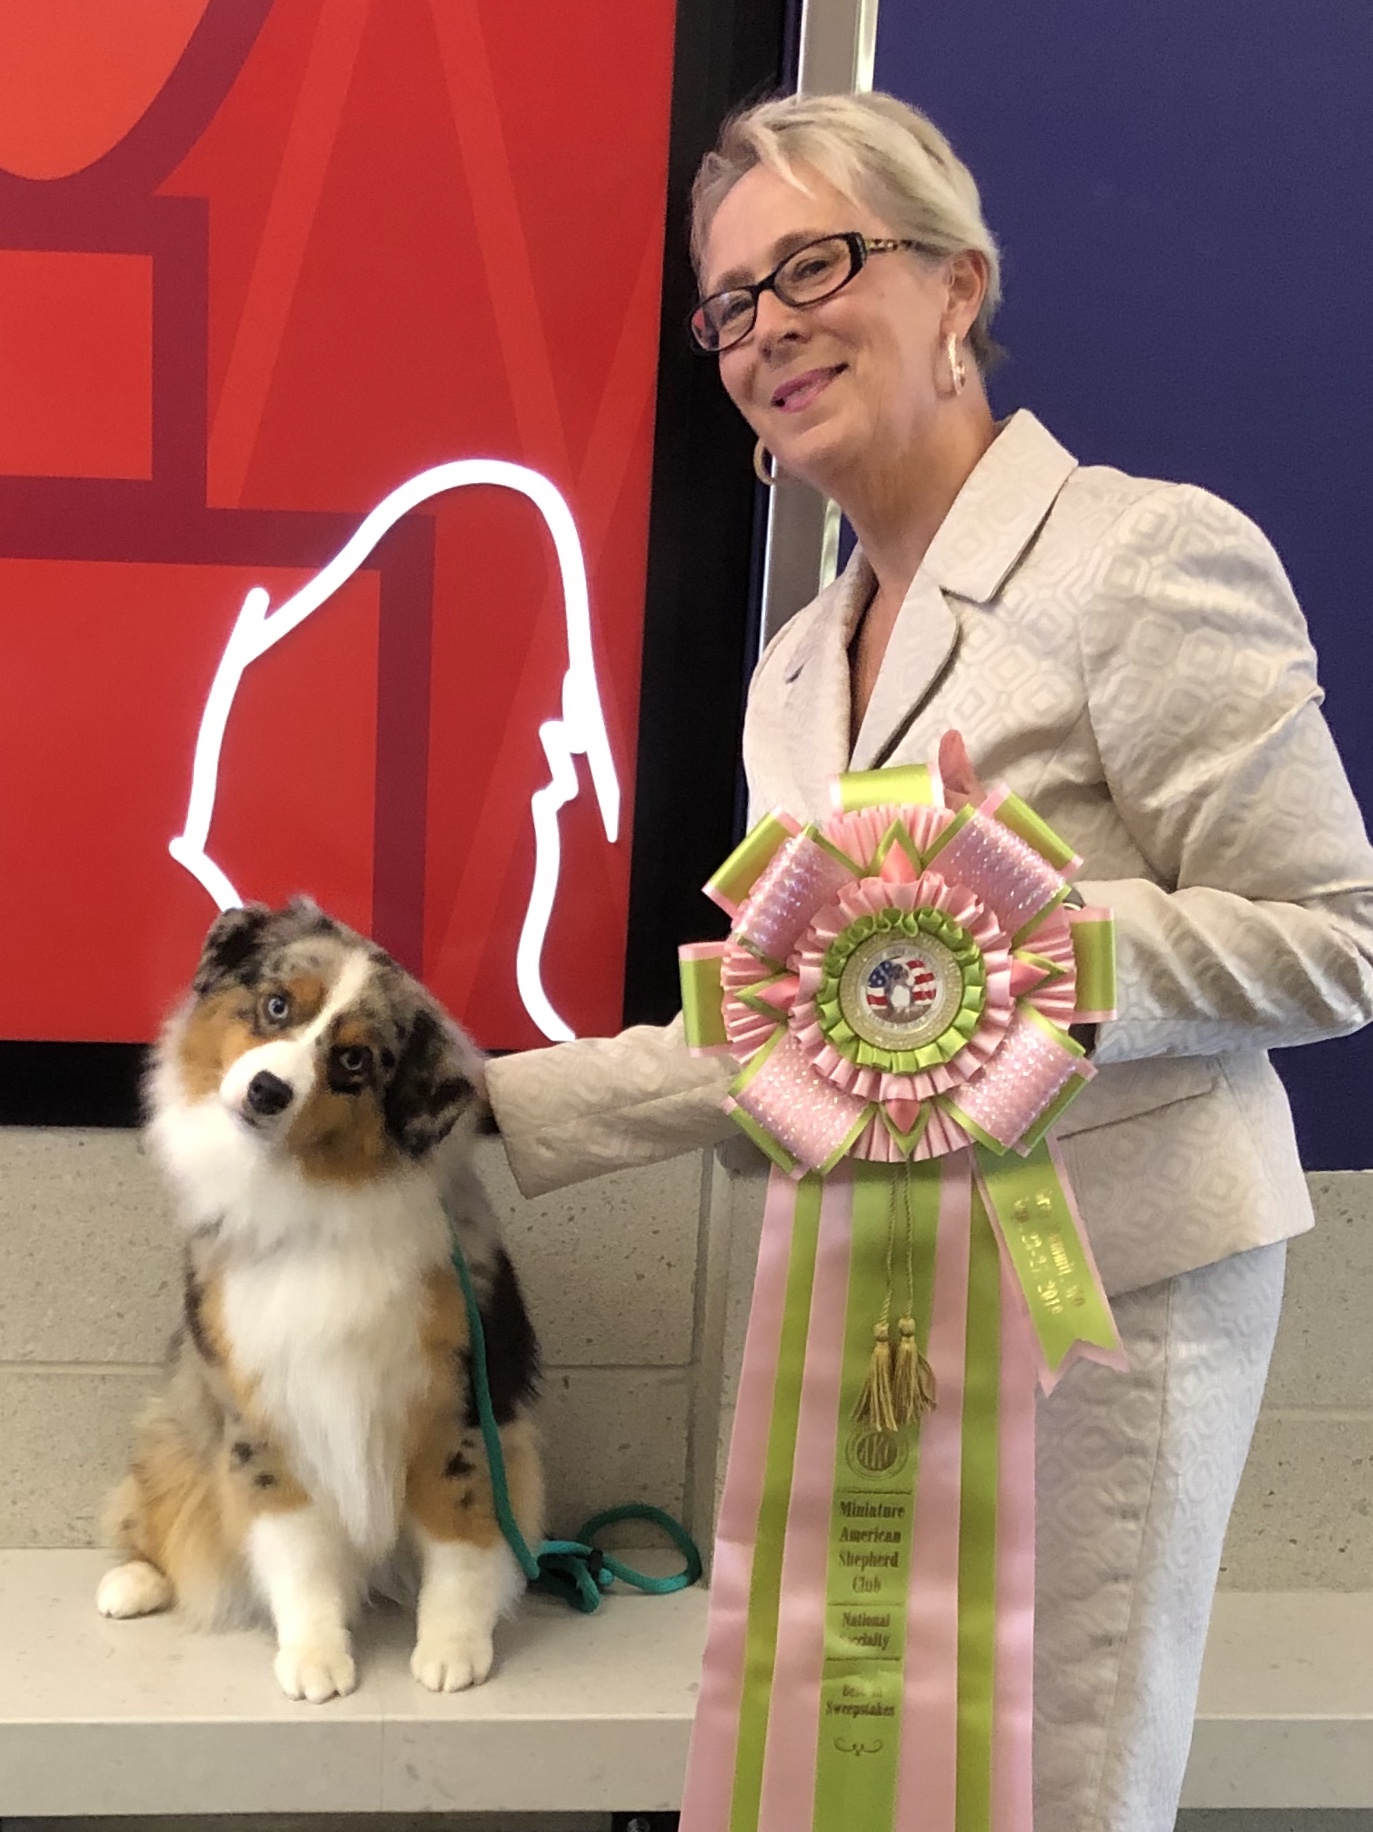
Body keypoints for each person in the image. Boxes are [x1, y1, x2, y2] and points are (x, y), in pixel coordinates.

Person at [485, 91, 1373, 1832]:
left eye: (812, 264)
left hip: (1104, 1294)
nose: (764, 326)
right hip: (859, 1297)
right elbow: (801, 1028)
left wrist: (1030, 950)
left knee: (1049, 1786)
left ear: (957, 282)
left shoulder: (1140, 554)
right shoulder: (789, 677)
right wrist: (478, 1109)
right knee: (848, 1775)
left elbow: (1333, 943)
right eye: (728, 303)